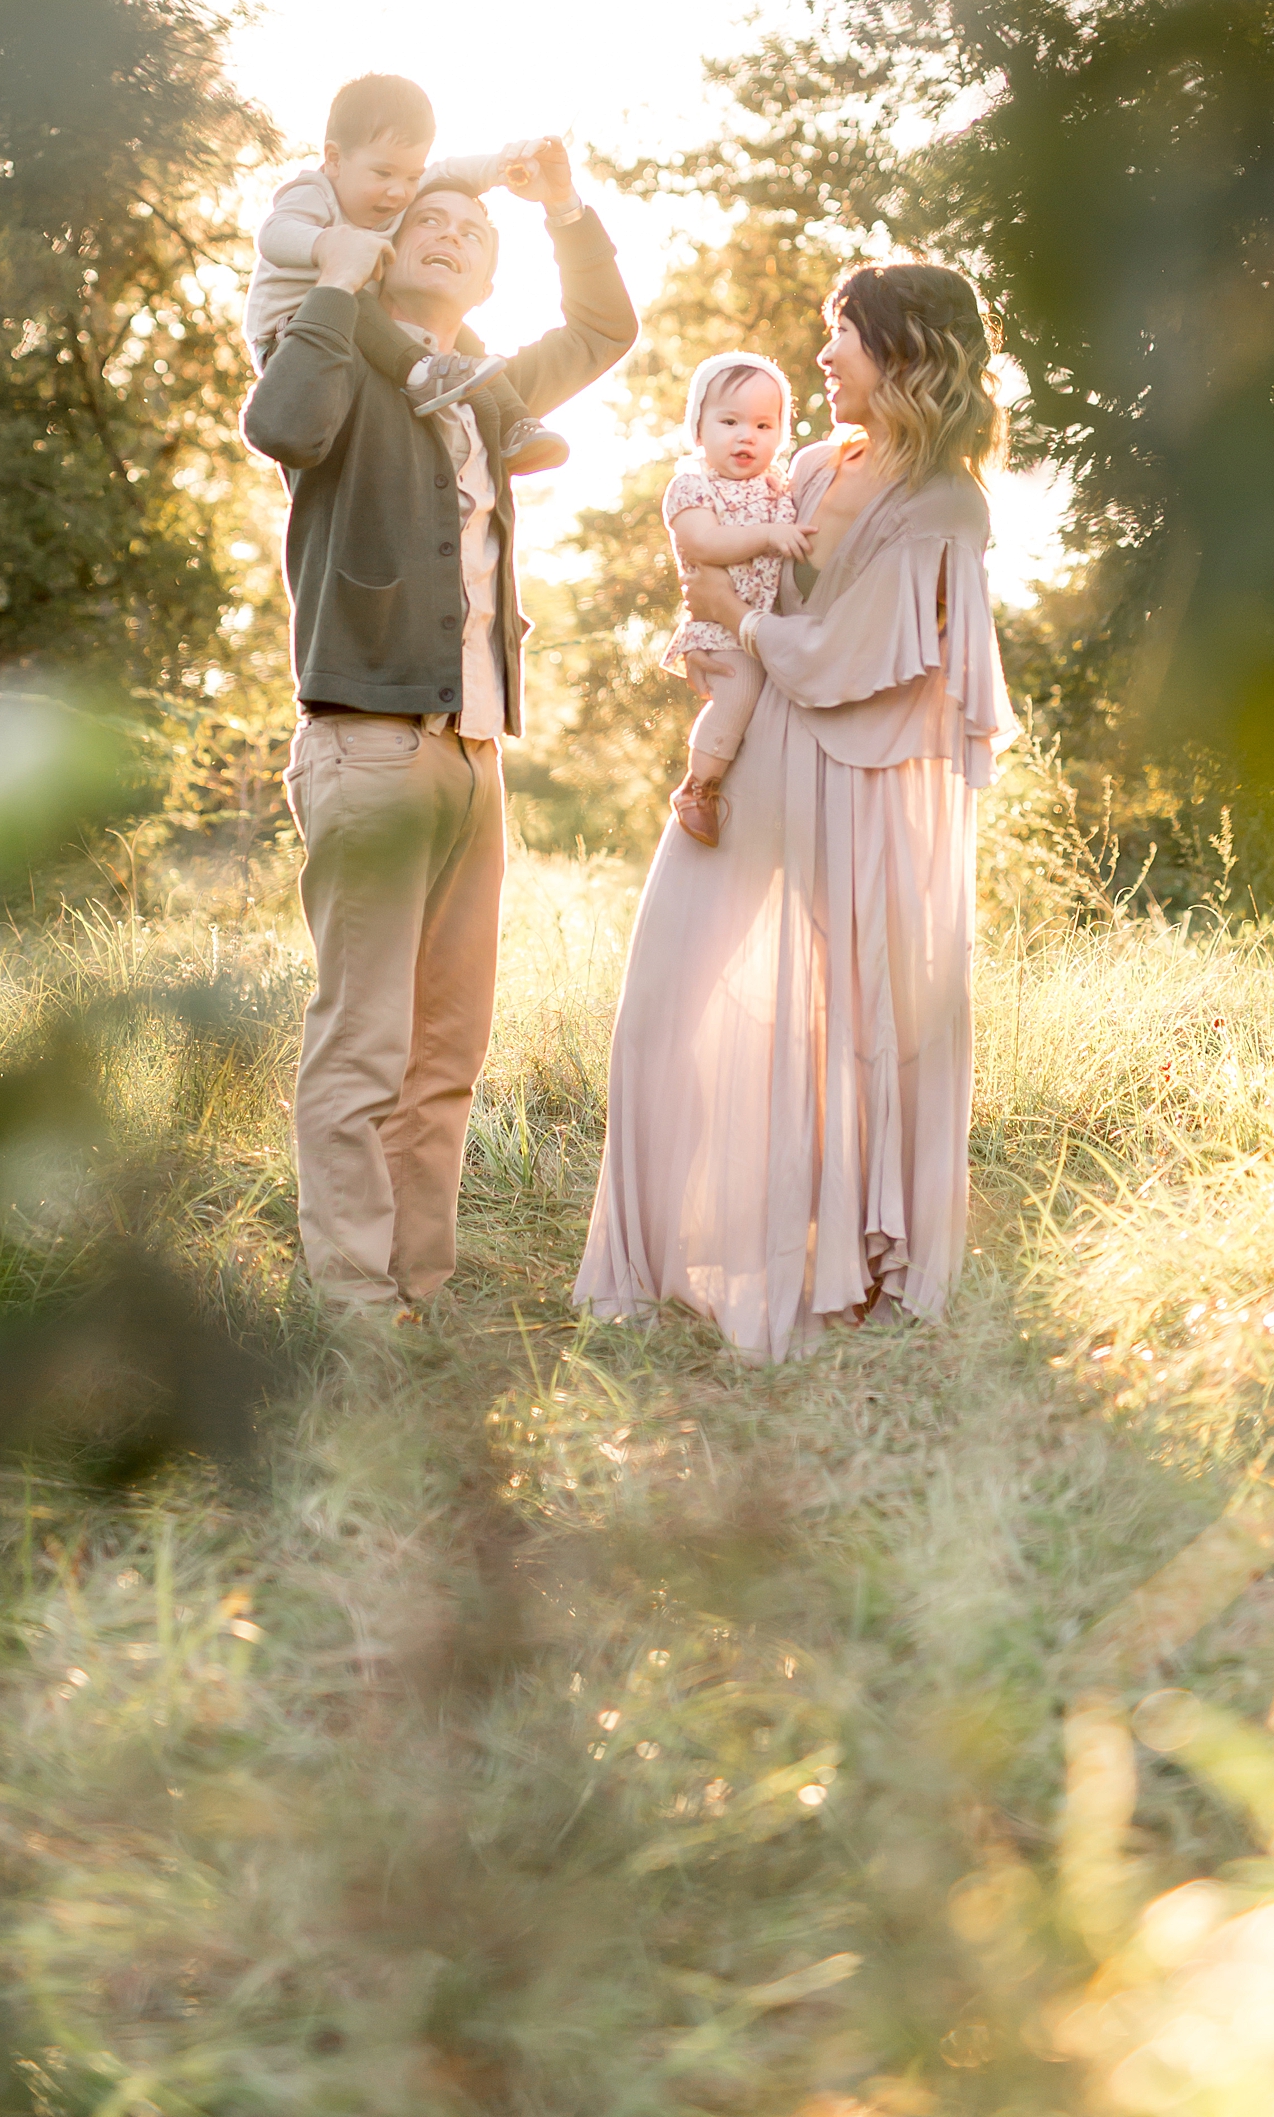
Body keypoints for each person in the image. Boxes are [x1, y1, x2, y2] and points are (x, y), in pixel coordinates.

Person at [574, 262, 1014, 1360]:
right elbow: (724, 563)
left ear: (904, 350)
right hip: (769, 756)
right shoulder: (816, 462)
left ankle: (856, 1264)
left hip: (856, 784)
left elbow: (848, 652)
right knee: (665, 996)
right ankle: (648, 1251)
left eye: (843, 336)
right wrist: (715, 625)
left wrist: (747, 627)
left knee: (858, 1024)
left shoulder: (946, 503)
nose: (822, 358)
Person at [242, 145, 637, 1316]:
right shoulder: (336, 357)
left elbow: (604, 330)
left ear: (489, 269)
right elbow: (283, 429)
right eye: (429, 217)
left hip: (475, 755)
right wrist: (331, 287)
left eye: (475, 225)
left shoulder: (484, 393)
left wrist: (561, 206)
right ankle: (351, 1311)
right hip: (364, 742)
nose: (453, 229)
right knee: (363, 1049)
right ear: (386, 243)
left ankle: (418, 1293)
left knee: (445, 1058)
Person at [244, 73, 568, 471]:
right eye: (382, 174)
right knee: (360, 299)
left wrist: (503, 166)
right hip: (291, 334)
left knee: (461, 339)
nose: (399, 192)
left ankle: (514, 422)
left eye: (411, 177)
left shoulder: (399, 194)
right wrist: (326, 245)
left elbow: (451, 172)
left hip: (354, 327)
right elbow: (274, 234)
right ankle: (418, 372)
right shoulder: (314, 192)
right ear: (334, 159)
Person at [657, 352, 812, 847]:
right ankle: (697, 787)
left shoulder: (777, 488)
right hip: (720, 628)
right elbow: (703, 544)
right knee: (739, 690)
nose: (747, 435)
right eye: (729, 421)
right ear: (698, 429)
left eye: (764, 424)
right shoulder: (691, 487)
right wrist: (770, 534)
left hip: (764, 623)